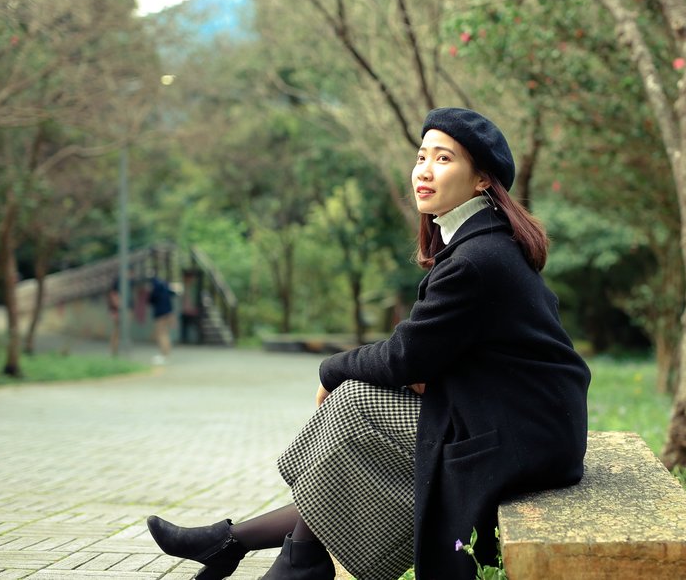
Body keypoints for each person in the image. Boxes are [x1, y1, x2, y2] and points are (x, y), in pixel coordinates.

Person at [145, 107, 591, 580]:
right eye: (422, 156)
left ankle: (260, 551)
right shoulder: (479, 241)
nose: (424, 170)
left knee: (357, 404)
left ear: (482, 180)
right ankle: (246, 546)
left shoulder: (476, 258)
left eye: (444, 159)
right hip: (519, 417)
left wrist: (331, 369)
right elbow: (442, 352)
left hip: (523, 434)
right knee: (363, 419)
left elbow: (405, 356)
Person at [148, 275, 174, 360]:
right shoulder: (165, 287)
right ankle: (166, 353)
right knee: (165, 333)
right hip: (167, 312)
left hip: (160, 313)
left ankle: (164, 355)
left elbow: (151, 299)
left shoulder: (156, 288)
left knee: (161, 334)